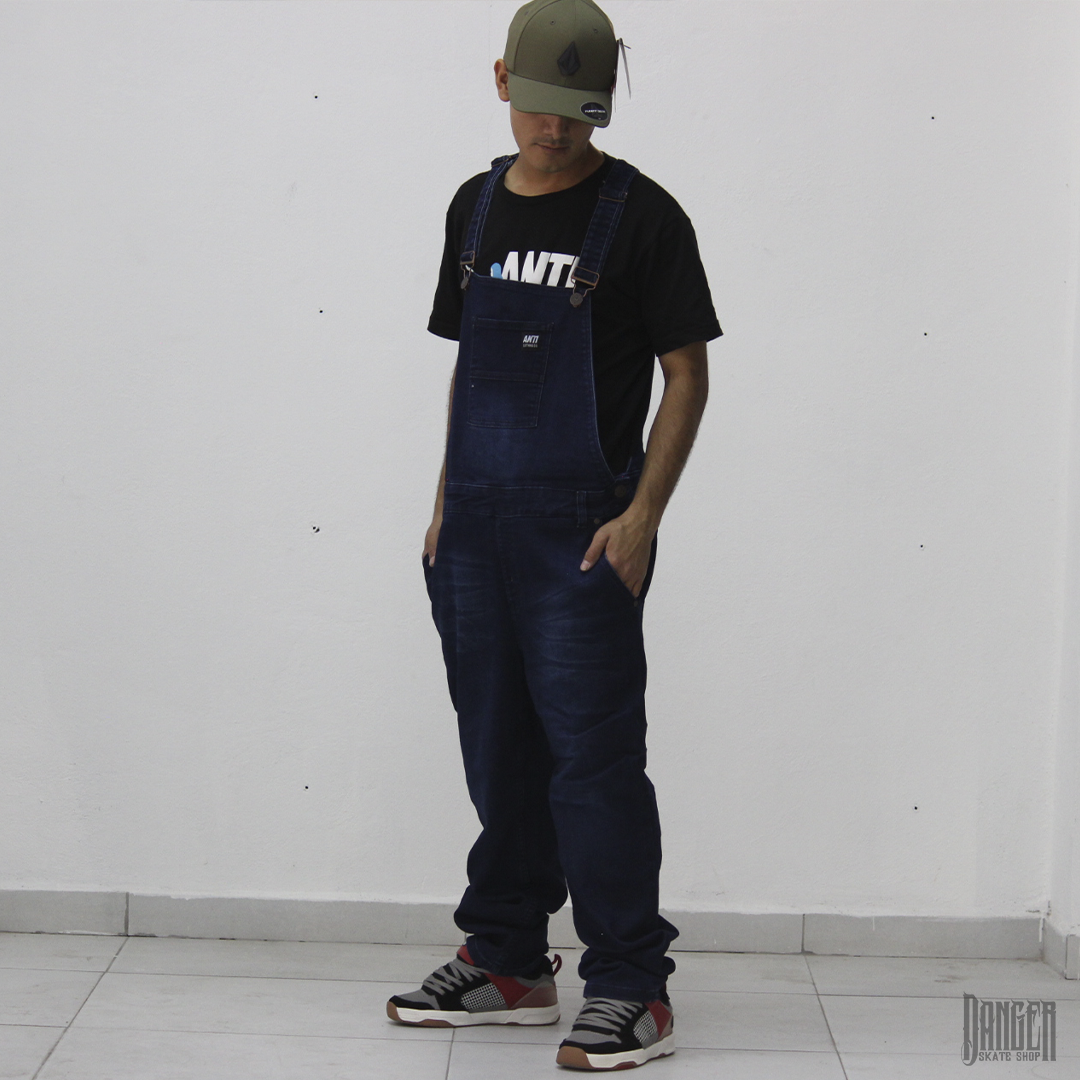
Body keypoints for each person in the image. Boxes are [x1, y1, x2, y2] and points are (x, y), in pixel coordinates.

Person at [387, 0, 721, 1069]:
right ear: (501, 82)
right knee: (497, 748)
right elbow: (472, 366)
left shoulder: (645, 216)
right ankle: (508, 961)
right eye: (538, 106)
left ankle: (631, 984)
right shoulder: (475, 206)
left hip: (582, 536)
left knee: (594, 765)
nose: (556, 129)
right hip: (474, 530)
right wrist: (446, 504)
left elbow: (686, 373)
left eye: (580, 111)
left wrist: (642, 519)